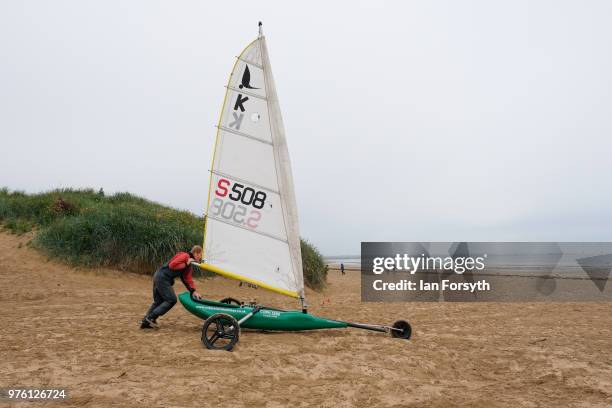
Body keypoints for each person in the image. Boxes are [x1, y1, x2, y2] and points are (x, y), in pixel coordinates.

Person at [140, 246, 203, 329]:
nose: (201, 257)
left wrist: (193, 291)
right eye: (200, 254)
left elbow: (187, 279)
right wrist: (186, 264)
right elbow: (172, 265)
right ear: (195, 253)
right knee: (171, 299)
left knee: (158, 301)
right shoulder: (185, 256)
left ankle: (145, 322)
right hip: (162, 278)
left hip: (159, 276)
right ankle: (150, 317)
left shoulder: (189, 264)